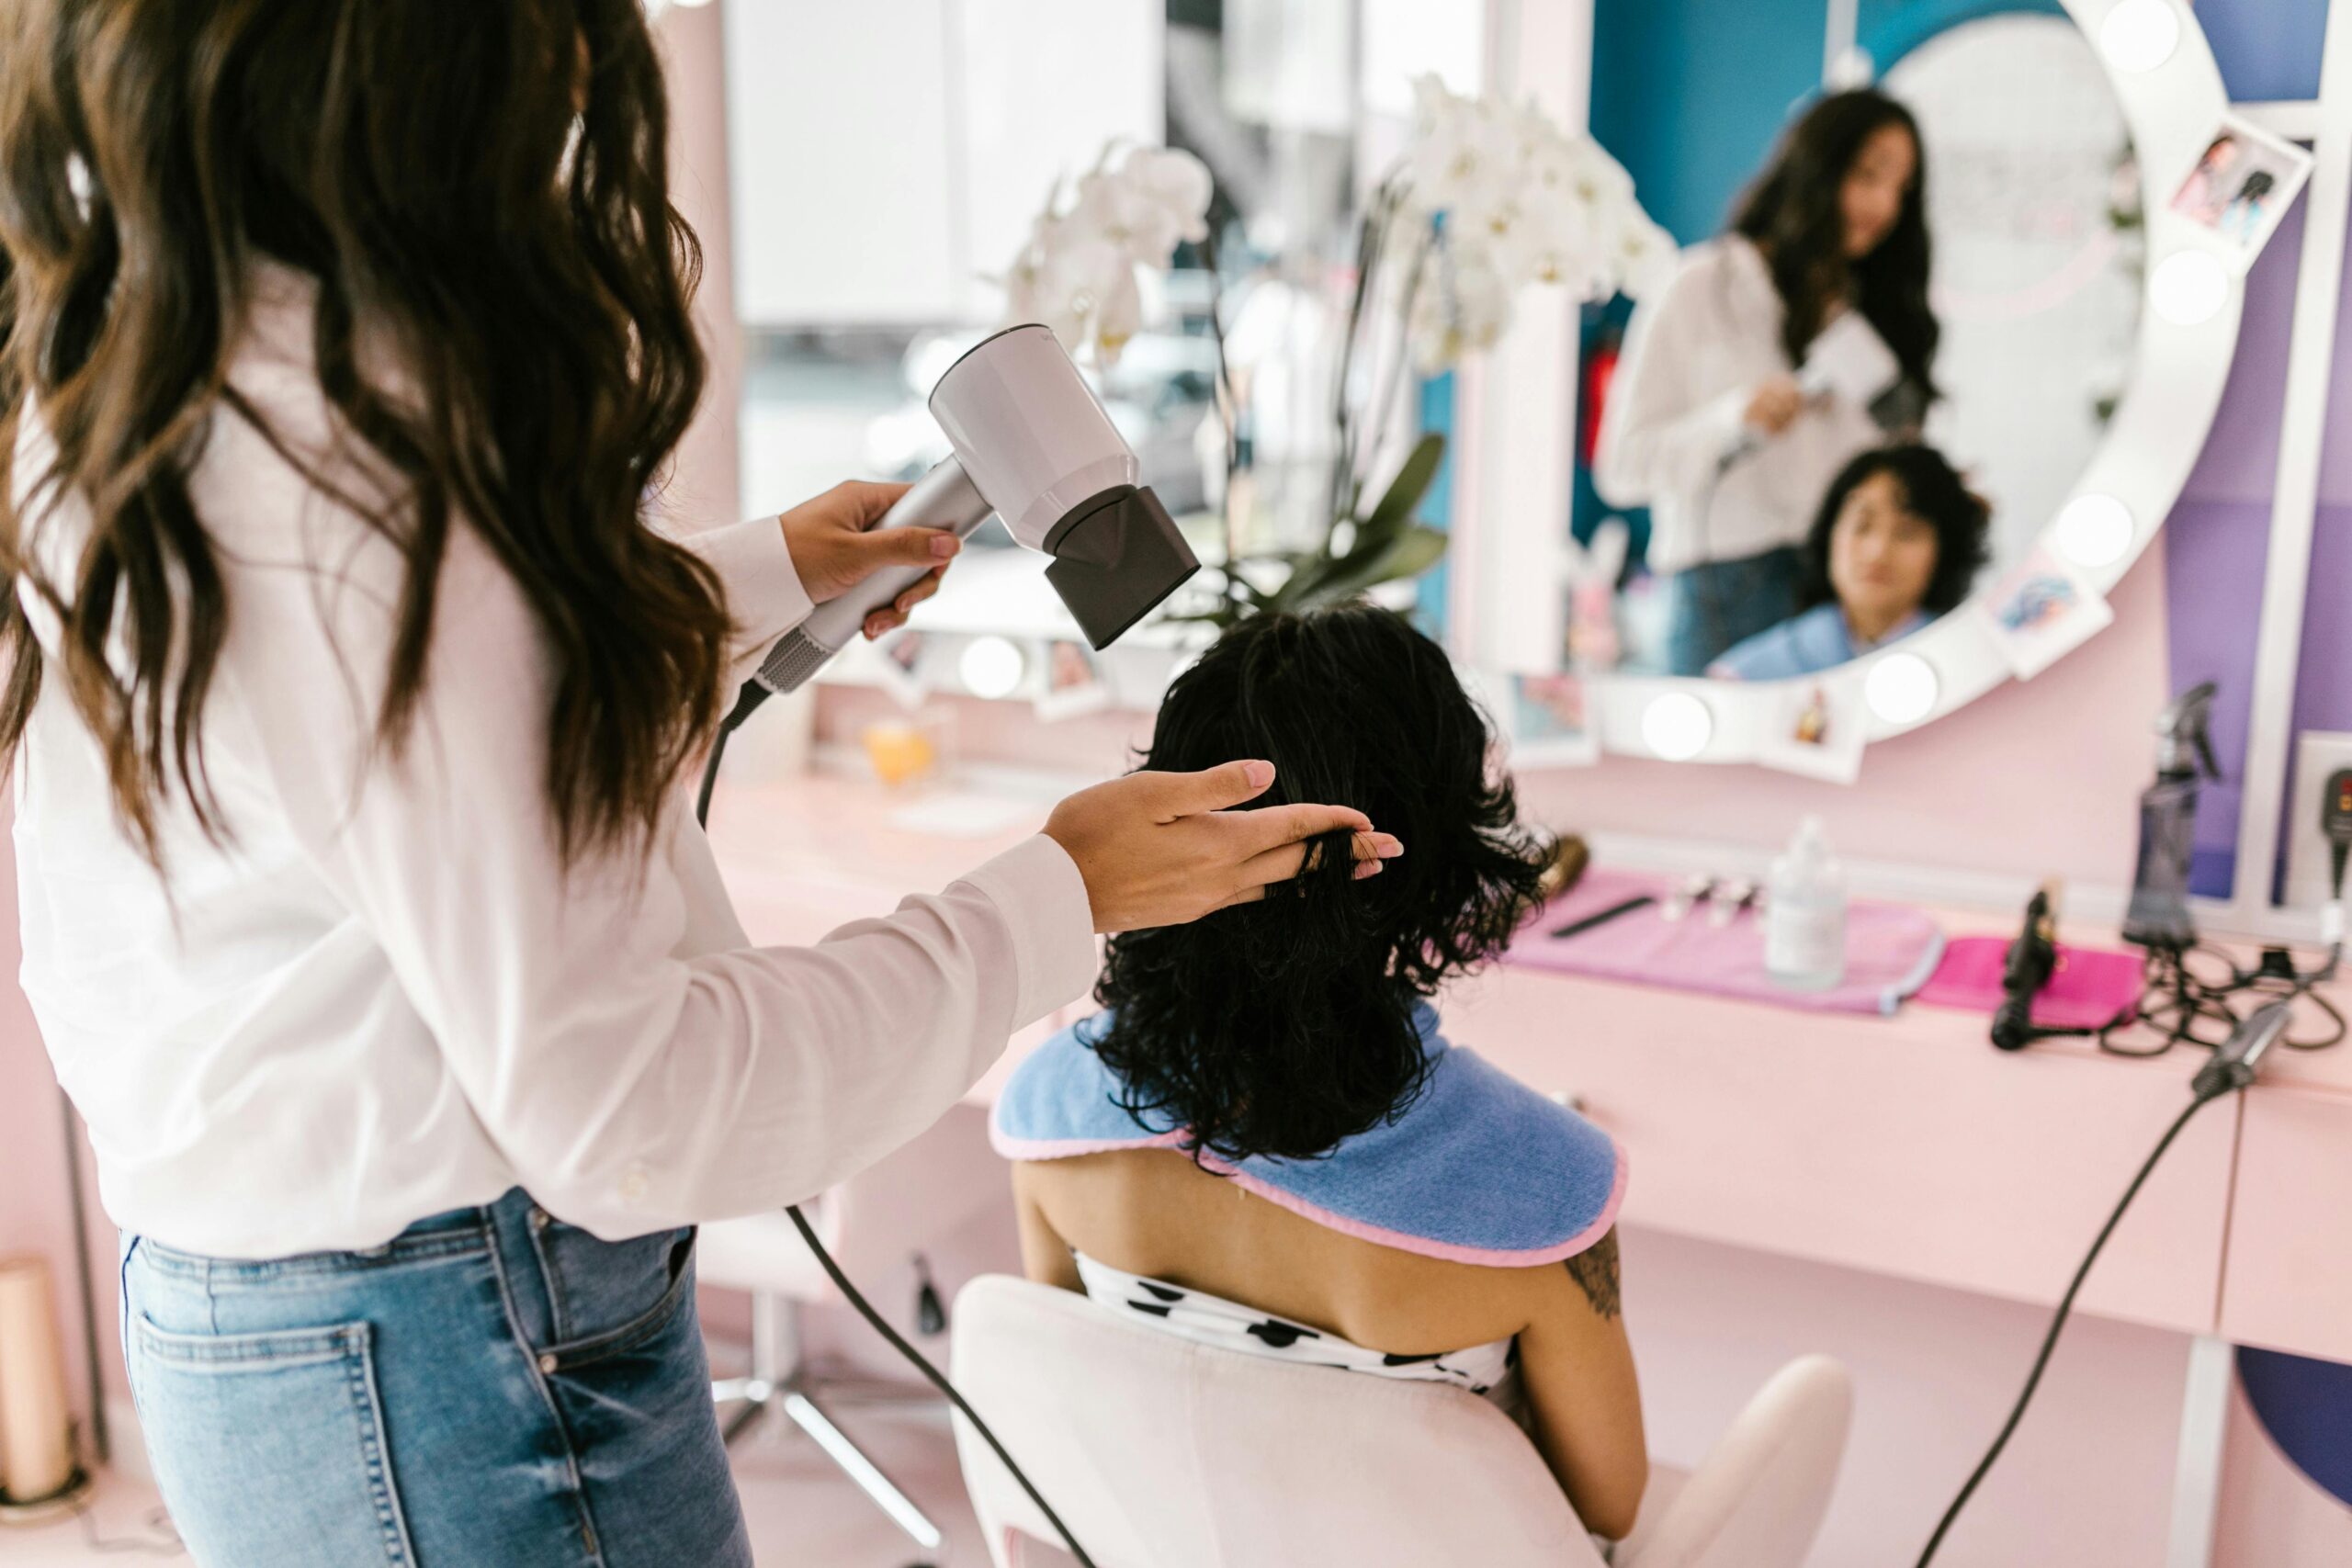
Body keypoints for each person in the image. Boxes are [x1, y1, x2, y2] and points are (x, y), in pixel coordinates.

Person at [0, 6, 1399, 1564]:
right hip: (458, 1352)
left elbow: (355, 764)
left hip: (238, 1322)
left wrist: (719, 591)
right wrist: (1060, 895)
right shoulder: (393, 486)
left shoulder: (138, 387)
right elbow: (631, 1104)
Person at [992, 604, 1647, 1540]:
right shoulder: (1547, 1196)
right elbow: (1607, 1507)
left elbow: (1083, 1402)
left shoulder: (1050, 1114)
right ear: (1433, 859)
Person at [1595, 88, 1939, 675]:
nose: (1883, 205)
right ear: (1816, 166)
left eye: (1901, 190)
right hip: (1723, 588)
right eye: (1867, 175)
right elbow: (1621, 468)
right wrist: (1732, 422)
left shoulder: (1865, 316)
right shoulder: (1700, 287)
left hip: (1841, 598)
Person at [1711, 444, 1990, 681]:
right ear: (1830, 532)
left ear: (1945, 549)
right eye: (1862, 525)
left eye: (1907, 532)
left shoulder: (1975, 669)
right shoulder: (1747, 678)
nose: (1878, 552)